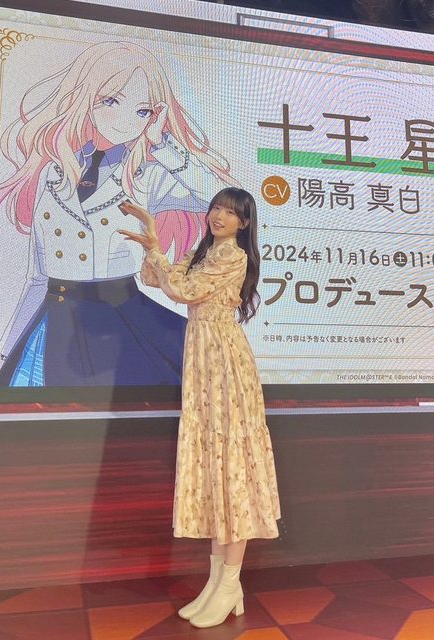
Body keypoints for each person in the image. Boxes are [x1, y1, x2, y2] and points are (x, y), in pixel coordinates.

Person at [0, 40, 235, 386]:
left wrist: (162, 144)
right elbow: (37, 279)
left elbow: (230, 203)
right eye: (111, 101)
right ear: (86, 99)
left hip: (121, 321)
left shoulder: (147, 176)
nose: (124, 121)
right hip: (56, 323)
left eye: (142, 111)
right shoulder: (53, 173)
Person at [118, 187, 281, 628]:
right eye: (216, 208)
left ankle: (229, 585)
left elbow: (183, 289)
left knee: (232, 469)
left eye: (230, 212)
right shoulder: (204, 250)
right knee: (215, 471)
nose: (218, 216)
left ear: (244, 223)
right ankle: (219, 584)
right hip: (205, 360)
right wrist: (153, 241)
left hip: (224, 362)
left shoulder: (232, 255)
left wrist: (155, 245)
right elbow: (158, 280)